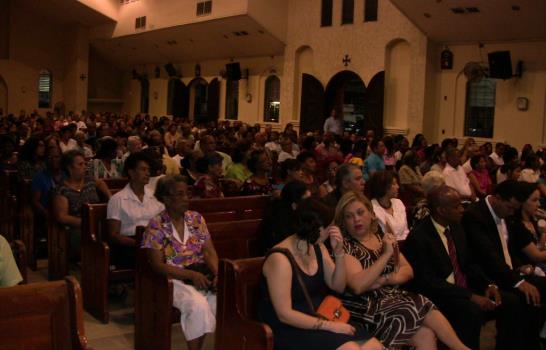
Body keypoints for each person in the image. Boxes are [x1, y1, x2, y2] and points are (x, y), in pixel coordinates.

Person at [333, 191, 469, 350]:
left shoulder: (380, 237)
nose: (356, 219)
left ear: (371, 214)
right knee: (415, 304)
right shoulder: (346, 246)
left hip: (391, 299)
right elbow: (358, 286)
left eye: (360, 212)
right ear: (344, 221)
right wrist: (386, 255)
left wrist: (384, 280)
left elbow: (408, 271)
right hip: (365, 308)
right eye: (349, 216)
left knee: (425, 333)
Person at [404, 186, 525, 350]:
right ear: (441, 210)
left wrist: (487, 284)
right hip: (438, 295)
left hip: (461, 288)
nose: (462, 209)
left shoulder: (456, 227)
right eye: (456, 206)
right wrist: (470, 296)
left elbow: (469, 264)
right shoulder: (420, 237)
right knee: (470, 311)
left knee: (511, 301)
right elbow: (428, 282)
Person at [259, 200, 382, 350]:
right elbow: (284, 314)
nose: (333, 230)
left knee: (374, 346)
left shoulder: (318, 246)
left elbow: (338, 286)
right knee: (350, 349)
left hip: (320, 314)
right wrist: (329, 326)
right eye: (330, 227)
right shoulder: (280, 259)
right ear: (316, 228)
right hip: (291, 327)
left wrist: (339, 254)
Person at [462, 180, 546, 350]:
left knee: (542, 286)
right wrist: (518, 282)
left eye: (515, 209)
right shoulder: (475, 216)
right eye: (510, 207)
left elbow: (508, 248)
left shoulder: (504, 213)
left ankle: (532, 341)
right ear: (497, 198)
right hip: (486, 277)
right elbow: (488, 256)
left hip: (507, 272)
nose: (512, 212)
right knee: (515, 301)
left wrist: (520, 267)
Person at [141, 175, 218, 350]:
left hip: (200, 272)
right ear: (166, 199)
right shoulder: (156, 225)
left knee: (218, 300)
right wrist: (190, 274)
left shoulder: (196, 219)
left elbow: (209, 250)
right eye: (180, 194)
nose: (186, 199)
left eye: (187, 194)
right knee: (197, 304)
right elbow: (156, 264)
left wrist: (218, 274)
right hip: (172, 279)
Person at [107, 152, 165, 269]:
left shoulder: (154, 196)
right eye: (143, 170)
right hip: (130, 244)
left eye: (148, 170)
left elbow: (164, 222)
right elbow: (113, 235)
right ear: (131, 173)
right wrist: (139, 243)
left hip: (153, 240)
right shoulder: (118, 199)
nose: (148, 173)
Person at [52, 150, 111, 258]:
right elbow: (62, 216)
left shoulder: (90, 181)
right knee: (84, 237)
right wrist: (85, 222)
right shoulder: (62, 189)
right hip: (77, 227)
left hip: (98, 223)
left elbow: (101, 183)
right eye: (80, 164)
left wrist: (110, 197)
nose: (84, 167)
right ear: (70, 168)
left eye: (85, 164)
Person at [507, 182, 546, 275]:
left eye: (539, 200)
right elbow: (537, 256)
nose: (539, 204)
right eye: (534, 200)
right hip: (529, 270)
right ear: (522, 202)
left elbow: (539, 247)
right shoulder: (517, 226)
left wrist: (543, 233)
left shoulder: (532, 220)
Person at [368, 171, 409, 240]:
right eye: (394, 184)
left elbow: (406, 230)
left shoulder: (398, 203)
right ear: (384, 187)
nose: (398, 187)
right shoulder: (372, 207)